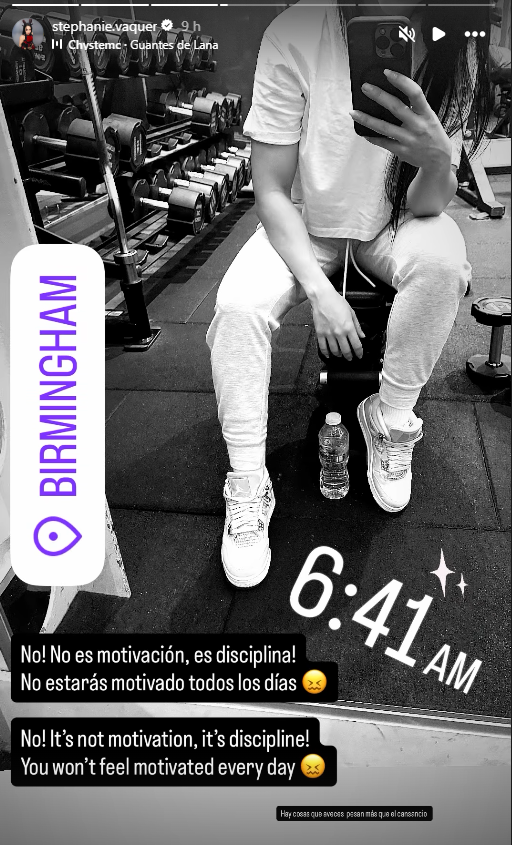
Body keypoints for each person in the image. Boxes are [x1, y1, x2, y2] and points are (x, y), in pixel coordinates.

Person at [206, 0, 493, 588]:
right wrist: (319, 292)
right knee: (237, 307)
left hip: (393, 222)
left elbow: (426, 205)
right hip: (305, 225)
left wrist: (438, 160)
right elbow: (270, 190)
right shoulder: (295, 32)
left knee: (444, 260)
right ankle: (247, 480)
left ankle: (390, 416)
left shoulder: (452, 43)